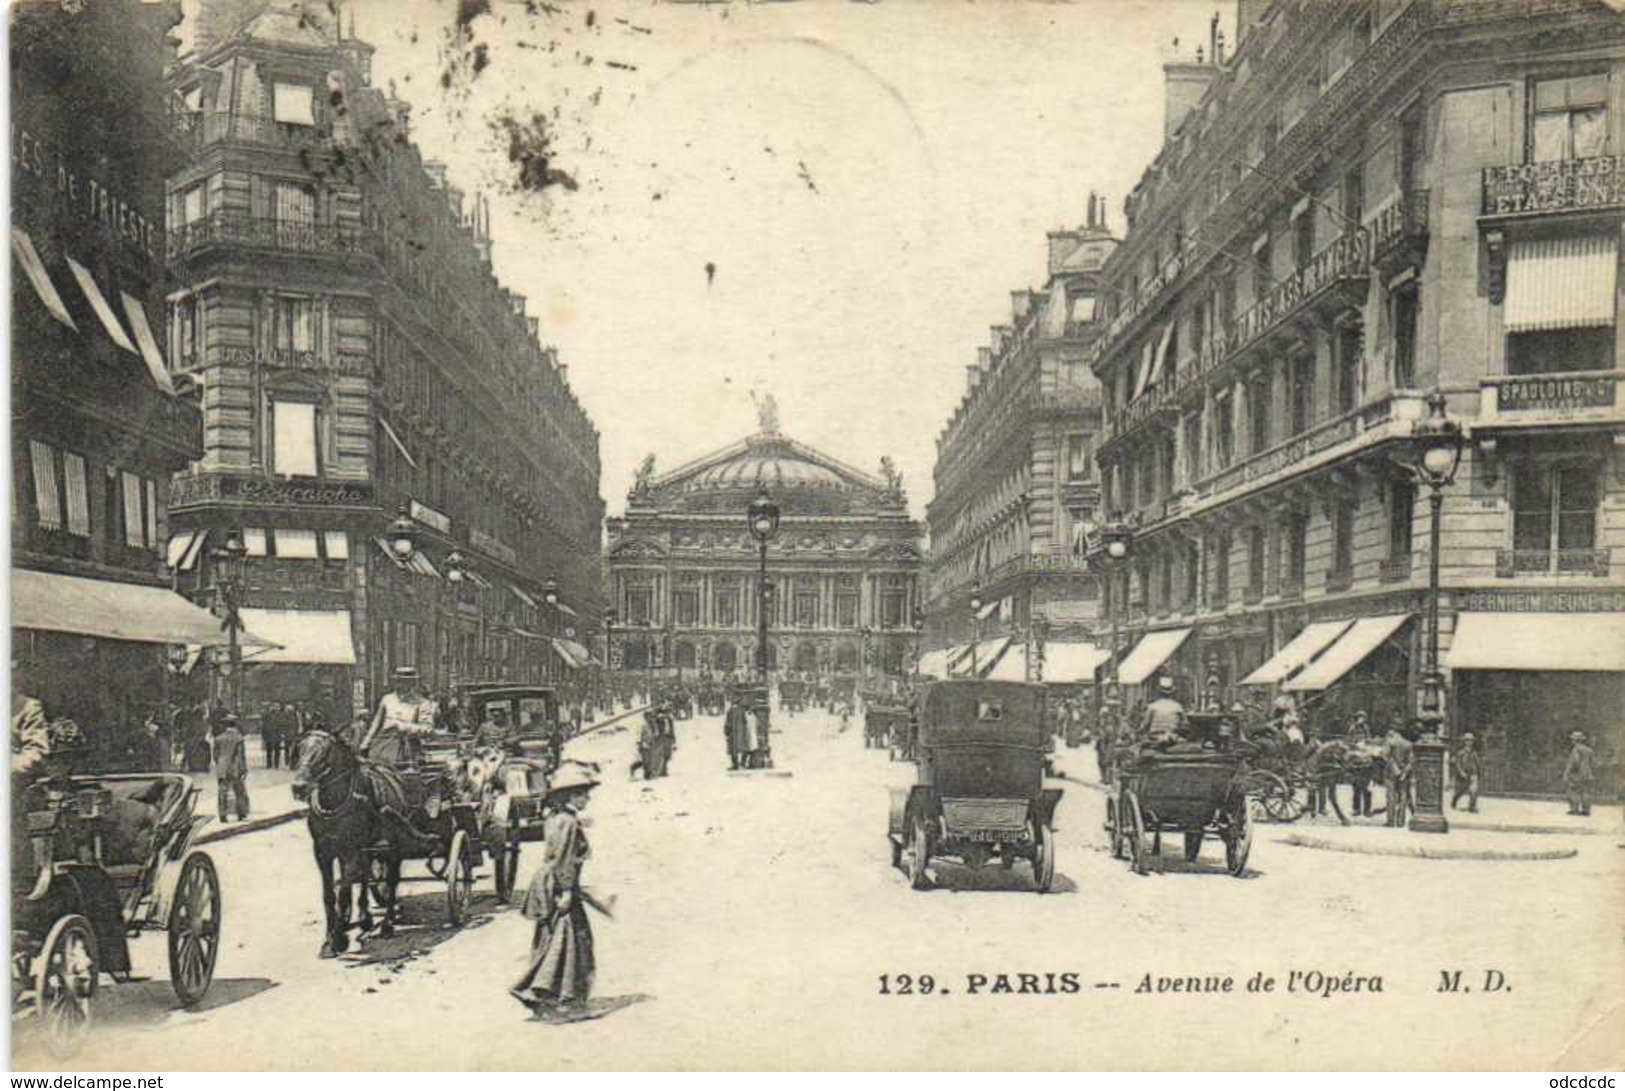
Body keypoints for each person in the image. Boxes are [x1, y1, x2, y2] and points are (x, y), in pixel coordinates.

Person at [511, 763, 599, 1015]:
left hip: (548, 884)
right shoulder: (569, 822)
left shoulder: (554, 818)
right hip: (559, 886)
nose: (587, 799)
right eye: (582, 794)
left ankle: (553, 996)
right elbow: (564, 859)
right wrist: (567, 891)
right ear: (569, 796)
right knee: (569, 940)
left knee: (553, 939)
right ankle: (548, 994)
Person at [362, 667, 437, 766]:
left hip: (406, 751)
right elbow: (375, 726)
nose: (401, 685)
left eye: (406, 682)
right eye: (399, 681)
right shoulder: (387, 699)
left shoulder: (422, 703)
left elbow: (428, 729)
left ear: (413, 684)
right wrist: (365, 743)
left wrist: (404, 727)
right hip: (381, 746)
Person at [212, 713, 250, 822]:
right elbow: (240, 755)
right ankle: (240, 813)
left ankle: (222, 814)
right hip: (235, 767)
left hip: (222, 767)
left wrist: (220, 764)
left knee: (222, 791)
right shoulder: (239, 738)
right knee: (239, 790)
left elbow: (215, 756)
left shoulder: (218, 738)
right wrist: (243, 769)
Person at [1140, 676, 1186, 746]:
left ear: (1159, 692)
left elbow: (1145, 725)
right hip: (1173, 738)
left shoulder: (1152, 706)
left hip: (1155, 738)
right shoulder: (1178, 707)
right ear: (1172, 693)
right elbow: (1185, 724)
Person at [1383, 724, 1414, 828]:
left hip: (1390, 773)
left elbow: (1385, 756)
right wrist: (1404, 772)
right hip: (1403, 773)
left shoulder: (1390, 742)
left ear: (1394, 731)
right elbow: (1411, 761)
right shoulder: (1408, 743)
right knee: (1403, 797)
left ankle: (1390, 821)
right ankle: (1401, 821)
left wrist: (1395, 769)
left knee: (1391, 796)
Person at [1563, 731, 1594, 817]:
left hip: (1578, 773)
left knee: (1573, 791)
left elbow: (1575, 762)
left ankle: (1574, 809)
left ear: (1575, 740)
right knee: (1585, 791)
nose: (1571, 741)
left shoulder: (1576, 749)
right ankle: (1586, 810)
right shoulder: (1589, 750)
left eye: (1572, 739)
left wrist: (1568, 773)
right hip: (1588, 773)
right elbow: (1591, 763)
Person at [1451, 732, 1482, 813]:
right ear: (1464, 742)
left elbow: (1477, 763)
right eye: (1468, 741)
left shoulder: (1474, 753)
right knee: (1461, 791)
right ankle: (1454, 800)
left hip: (1472, 774)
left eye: (1471, 741)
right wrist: (1461, 772)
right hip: (1463, 774)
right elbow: (1457, 764)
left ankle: (1472, 806)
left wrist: (1477, 773)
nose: (1470, 743)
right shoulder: (1460, 753)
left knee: (1474, 790)